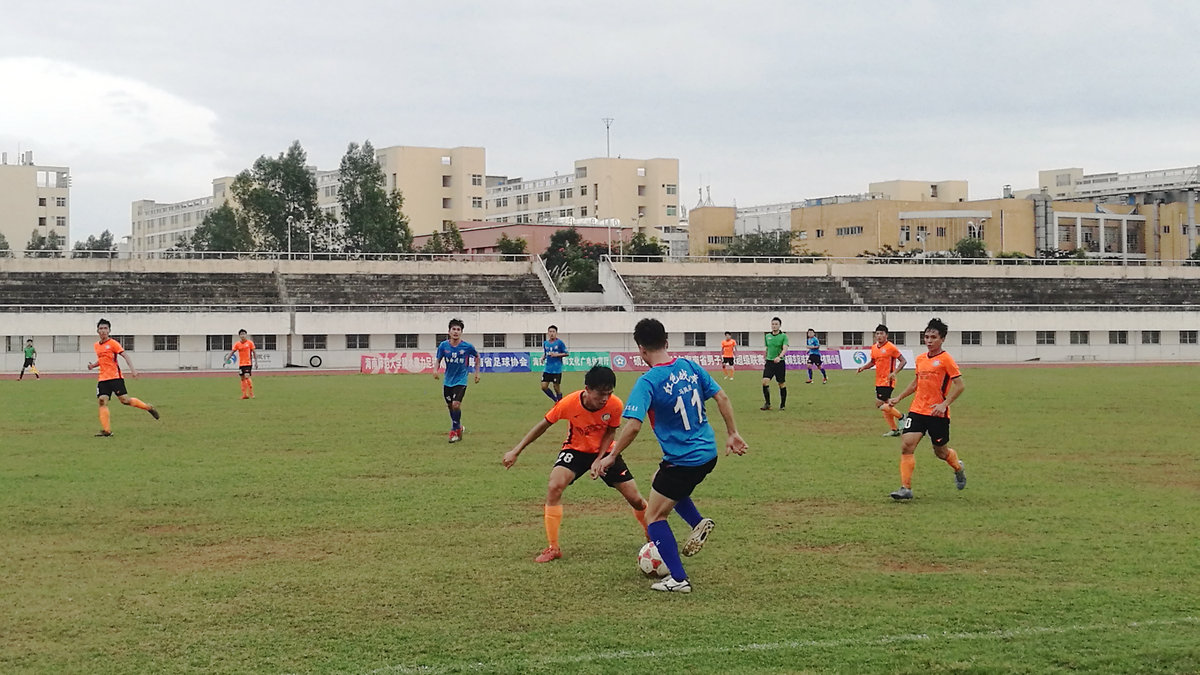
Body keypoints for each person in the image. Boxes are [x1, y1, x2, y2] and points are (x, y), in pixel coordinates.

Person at [592, 318, 748, 593]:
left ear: (641, 349)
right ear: (667, 342)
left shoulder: (648, 381)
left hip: (684, 461)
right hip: (707, 453)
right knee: (659, 480)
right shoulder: (689, 366)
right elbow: (722, 397)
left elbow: (633, 426)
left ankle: (678, 579)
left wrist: (611, 455)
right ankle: (697, 522)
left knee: (654, 518)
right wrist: (732, 433)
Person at [503, 365, 649, 563]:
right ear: (587, 389)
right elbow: (543, 425)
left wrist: (600, 459)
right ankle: (553, 547)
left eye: (609, 393)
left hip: (606, 453)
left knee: (636, 500)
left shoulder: (615, 405)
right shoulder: (568, 403)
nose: (605, 399)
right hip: (575, 450)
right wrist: (516, 450)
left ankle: (652, 535)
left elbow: (610, 432)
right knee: (554, 486)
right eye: (600, 394)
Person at [886, 318, 967, 500]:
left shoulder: (946, 360)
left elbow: (960, 385)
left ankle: (958, 467)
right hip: (917, 410)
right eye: (926, 337)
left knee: (941, 452)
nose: (929, 341)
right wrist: (899, 397)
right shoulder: (921, 359)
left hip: (937, 413)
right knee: (907, 445)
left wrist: (944, 404)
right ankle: (905, 488)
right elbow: (917, 382)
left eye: (933, 337)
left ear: (942, 339)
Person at [87, 318, 159, 437]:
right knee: (101, 401)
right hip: (102, 378)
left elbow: (125, 356)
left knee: (125, 400)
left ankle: (148, 407)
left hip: (115, 377)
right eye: (101, 328)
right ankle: (107, 431)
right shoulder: (96, 345)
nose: (103, 331)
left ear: (109, 330)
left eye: (105, 328)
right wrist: (93, 365)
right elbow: (102, 359)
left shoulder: (113, 344)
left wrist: (133, 370)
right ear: (97, 331)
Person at [434, 318, 481, 443]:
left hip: (461, 380)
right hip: (448, 380)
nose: (456, 332)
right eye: (453, 329)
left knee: (456, 404)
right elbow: (438, 359)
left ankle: (454, 431)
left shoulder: (467, 346)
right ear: (449, 331)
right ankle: (458, 426)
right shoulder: (444, 346)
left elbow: (477, 356)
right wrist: (435, 370)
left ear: (461, 332)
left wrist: (477, 373)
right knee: (450, 406)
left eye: (458, 329)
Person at [856, 324, 907, 437]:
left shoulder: (891, 347)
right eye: (877, 334)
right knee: (886, 406)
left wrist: (894, 373)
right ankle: (894, 430)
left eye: (881, 333)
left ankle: (902, 417)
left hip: (887, 381)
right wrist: (863, 368)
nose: (879, 336)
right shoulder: (874, 348)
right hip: (878, 380)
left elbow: (903, 361)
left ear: (886, 335)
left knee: (879, 404)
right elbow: (872, 362)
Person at [761, 317, 789, 410]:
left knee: (781, 384)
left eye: (776, 324)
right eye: (773, 324)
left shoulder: (783, 336)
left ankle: (782, 405)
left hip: (779, 362)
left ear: (780, 325)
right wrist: (765, 356)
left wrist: (779, 357)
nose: (774, 326)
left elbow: (785, 348)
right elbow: (767, 348)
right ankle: (768, 404)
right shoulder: (767, 336)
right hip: (769, 362)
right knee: (765, 382)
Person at [540, 325, 568, 402]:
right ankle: (555, 400)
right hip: (547, 369)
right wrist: (543, 357)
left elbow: (566, 353)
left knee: (556, 388)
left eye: (553, 332)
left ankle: (560, 402)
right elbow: (546, 353)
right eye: (550, 331)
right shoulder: (545, 343)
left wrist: (556, 355)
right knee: (544, 387)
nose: (552, 333)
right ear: (548, 333)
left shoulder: (560, 343)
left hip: (556, 369)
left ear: (556, 333)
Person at [226, 329, 257, 399]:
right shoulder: (237, 344)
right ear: (239, 336)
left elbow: (254, 352)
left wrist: (256, 362)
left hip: (248, 363)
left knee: (247, 376)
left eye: (244, 334)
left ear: (246, 335)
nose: (243, 335)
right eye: (241, 334)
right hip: (241, 364)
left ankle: (251, 393)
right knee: (242, 378)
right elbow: (232, 351)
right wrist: (227, 358)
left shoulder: (250, 343)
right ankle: (244, 394)